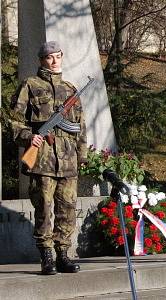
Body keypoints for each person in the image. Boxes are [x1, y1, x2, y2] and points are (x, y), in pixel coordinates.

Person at [10, 41, 87, 275]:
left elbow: (79, 127)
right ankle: (46, 256)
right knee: (44, 208)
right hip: (42, 159)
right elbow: (14, 119)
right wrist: (28, 136)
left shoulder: (70, 88)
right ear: (41, 60)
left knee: (68, 209)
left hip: (68, 160)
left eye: (58, 56)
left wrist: (82, 157)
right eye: (49, 57)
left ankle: (63, 254)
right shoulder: (30, 85)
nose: (54, 61)